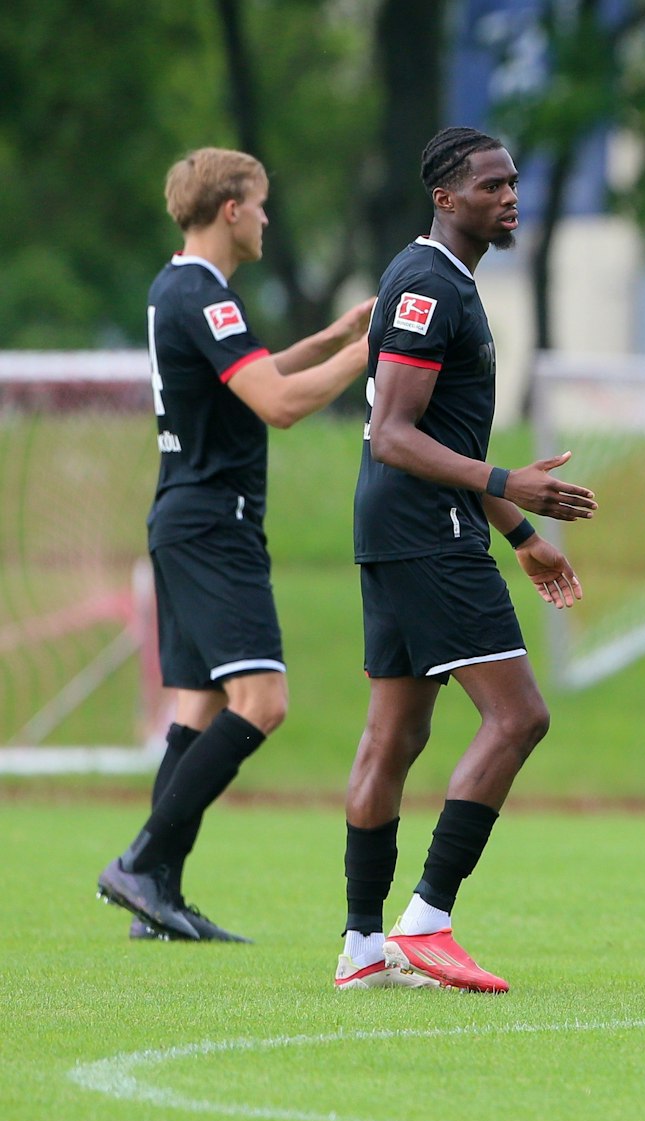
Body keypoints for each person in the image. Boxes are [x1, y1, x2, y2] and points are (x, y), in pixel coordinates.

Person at [334, 127, 596, 993]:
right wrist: (508, 484)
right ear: (445, 198)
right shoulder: (427, 284)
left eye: (514, 182)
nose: (510, 197)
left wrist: (520, 535)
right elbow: (393, 433)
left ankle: (361, 948)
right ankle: (425, 920)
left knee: (396, 735)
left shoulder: (448, 280)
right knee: (518, 716)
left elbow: (439, 440)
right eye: (491, 186)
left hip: (404, 526)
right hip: (425, 531)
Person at [97, 147, 375, 943]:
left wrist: (332, 337)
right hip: (214, 524)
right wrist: (374, 350)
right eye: (258, 203)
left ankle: (156, 895)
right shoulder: (206, 294)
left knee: (200, 706)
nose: (264, 217)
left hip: (184, 517)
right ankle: (140, 863)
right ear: (229, 209)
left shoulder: (176, 285)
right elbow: (279, 405)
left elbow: (253, 379)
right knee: (263, 701)